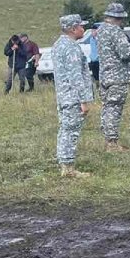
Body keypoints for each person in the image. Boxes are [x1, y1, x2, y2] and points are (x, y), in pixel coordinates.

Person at [50, 14, 93, 178]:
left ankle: (64, 163)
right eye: (81, 26)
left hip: (63, 96)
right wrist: (83, 100)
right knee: (71, 132)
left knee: (65, 130)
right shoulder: (71, 47)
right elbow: (76, 76)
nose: (83, 29)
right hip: (73, 98)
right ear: (73, 29)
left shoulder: (58, 45)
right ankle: (68, 168)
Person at [96, 2, 130, 153]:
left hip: (105, 75)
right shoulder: (116, 32)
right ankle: (112, 144)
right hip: (118, 76)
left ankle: (107, 139)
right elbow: (126, 53)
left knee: (107, 107)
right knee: (115, 108)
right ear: (117, 18)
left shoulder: (100, 30)